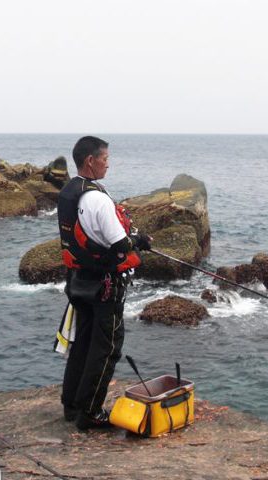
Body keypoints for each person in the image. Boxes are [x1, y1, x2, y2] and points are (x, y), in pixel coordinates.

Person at [57, 136, 152, 430]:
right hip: (104, 286)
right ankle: (91, 411)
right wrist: (140, 241)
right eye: (106, 159)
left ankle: (71, 404)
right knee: (106, 347)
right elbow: (120, 243)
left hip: (78, 282)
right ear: (91, 161)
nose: (108, 164)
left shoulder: (69, 192)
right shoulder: (97, 198)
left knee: (83, 343)